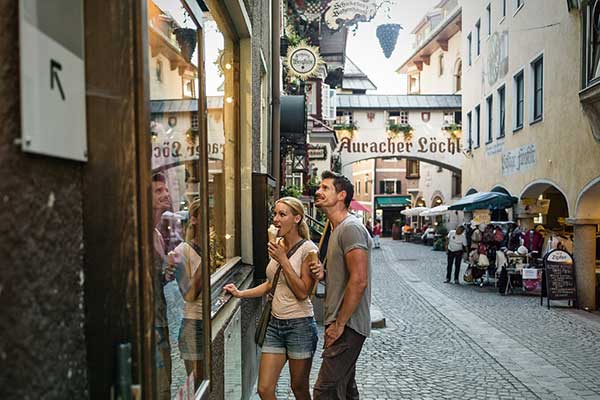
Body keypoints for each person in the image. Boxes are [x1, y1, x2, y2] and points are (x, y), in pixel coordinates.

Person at [223, 197, 318, 400]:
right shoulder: (277, 245)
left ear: (297, 218)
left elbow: (302, 292)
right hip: (275, 325)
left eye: (282, 214)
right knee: (264, 389)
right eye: (275, 214)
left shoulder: (308, 250)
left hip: (299, 325)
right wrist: (240, 294)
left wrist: (283, 259)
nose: (275, 219)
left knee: (299, 389)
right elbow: (271, 284)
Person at [309, 171, 372, 399]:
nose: (318, 191)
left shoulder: (350, 228)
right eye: (319, 187)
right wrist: (325, 275)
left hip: (347, 325)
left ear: (342, 195)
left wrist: (339, 324)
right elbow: (347, 276)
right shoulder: (336, 229)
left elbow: (359, 279)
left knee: (324, 391)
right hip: (341, 322)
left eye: (325, 188)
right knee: (344, 389)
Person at [167, 199, 205, 386]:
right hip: (193, 324)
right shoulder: (182, 251)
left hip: (210, 321)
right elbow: (189, 295)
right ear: (195, 219)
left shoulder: (218, 246)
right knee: (196, 384)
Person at [152, 172, 175, 400]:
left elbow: (157, 279)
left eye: (166, 189)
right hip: (147, 324)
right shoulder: (138, 233)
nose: (166, 194)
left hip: (161, 319)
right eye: (158, 191)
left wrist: (167, 272)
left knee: (165, 383)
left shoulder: (157, 234)